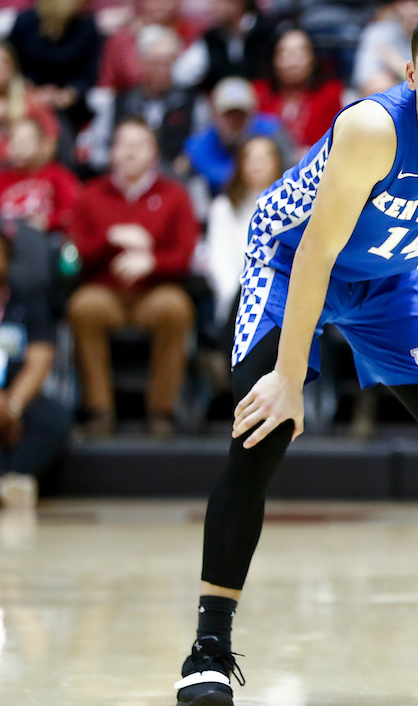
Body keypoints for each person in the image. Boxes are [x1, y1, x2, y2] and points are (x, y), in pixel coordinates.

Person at [172, 4, 418, 706]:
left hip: (389, 277)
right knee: (261, 430)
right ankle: (207, 650)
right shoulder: (370, 128)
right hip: (293, 265)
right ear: (411, 73)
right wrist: (289, 379)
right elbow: (318, 252)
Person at [67, 118, 199, 437]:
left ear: (154, 153)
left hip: (154, 293)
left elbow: (184, 256)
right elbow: (75, 256)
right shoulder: (90, 194)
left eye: (139, 145)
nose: (130, 152)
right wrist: (111, 236)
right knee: (82, 307)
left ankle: (161, 410)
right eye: (123, 144)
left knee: (176, 308)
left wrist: (151, 262)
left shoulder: (174, 195)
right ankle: (98, 409)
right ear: (111, 151)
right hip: (105, 293)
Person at [0, 232, 72, 512]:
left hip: (20, 396)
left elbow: (40, 358)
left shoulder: (28, 299)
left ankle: (12, 477)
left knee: (53, 420)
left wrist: (13, 407)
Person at [6, 0, 102, 146]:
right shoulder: (26, 22)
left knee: (60, 126)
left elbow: (90, 74)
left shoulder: (88, 26)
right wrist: (30, 91)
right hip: (25, 98)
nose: (90, 3)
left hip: (69, 105)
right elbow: (10, 65)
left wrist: (68, 94)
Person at [204, 136, 285, 349]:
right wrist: (242, 297)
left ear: (278, 163)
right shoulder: (223, 207)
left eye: (264, 158)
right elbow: (218, 261)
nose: (257, 165)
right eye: (250, 158)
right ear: (240, 165)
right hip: (238, 301)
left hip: (287, 300)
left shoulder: (294, 207)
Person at [101, 25, 201, 174]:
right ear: (141, 63)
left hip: (176, 177)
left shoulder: (191, 101)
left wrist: (189, 158)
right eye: (155, 63)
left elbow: (201, 141)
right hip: (126, 174)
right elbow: (100, 148)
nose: (161, 69)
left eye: (167, 63)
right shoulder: (121, 101)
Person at [172, 0, 276, 93]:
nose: (213, 6)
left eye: (219, 0)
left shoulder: (268, 33)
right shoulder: (212, 37)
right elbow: (182, 75)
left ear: (239, 1)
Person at [183, 76, 290, 196]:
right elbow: (215, 177)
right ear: (215, 115)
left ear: (252, 114)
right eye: (229, 115)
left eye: (241, 114)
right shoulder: (199, 144)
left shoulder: (273, 131)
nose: (235, 121)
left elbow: (290, 166)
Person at [98, 0, 200, 95]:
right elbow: (108, 80)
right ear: (143, 0)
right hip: (130, 104)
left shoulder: (192, 35)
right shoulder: (122, 39)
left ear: (179, 0)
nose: (161, 4)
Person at [254, 28, 345, 150]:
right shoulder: (259, 93)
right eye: (284, 54)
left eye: (300, 53)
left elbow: (338, 139)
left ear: (313, 58)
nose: (293, 62)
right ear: (273, 59)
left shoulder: (330, 93)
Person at [351, 0, 418, 97]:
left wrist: (398, 66)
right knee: (380, 85)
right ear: (395, 5)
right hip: (391, 100)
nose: (415, 8)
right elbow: (365, 80)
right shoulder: (377, 33)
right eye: (407, 2)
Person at [0, 119, 80, 234]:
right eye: (14, 142)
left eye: (24, 142)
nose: (18, 148)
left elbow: (73, 212)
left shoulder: (58, 176)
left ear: (40, 145)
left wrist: (49, 222)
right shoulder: (2, 178)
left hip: (46, 240)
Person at [0, 42, 60, 165]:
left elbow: (51, 139)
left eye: (5, 62)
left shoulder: (31, 98)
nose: (0, 68)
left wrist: (30, 159)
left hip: (24, 171)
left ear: (13, 66)